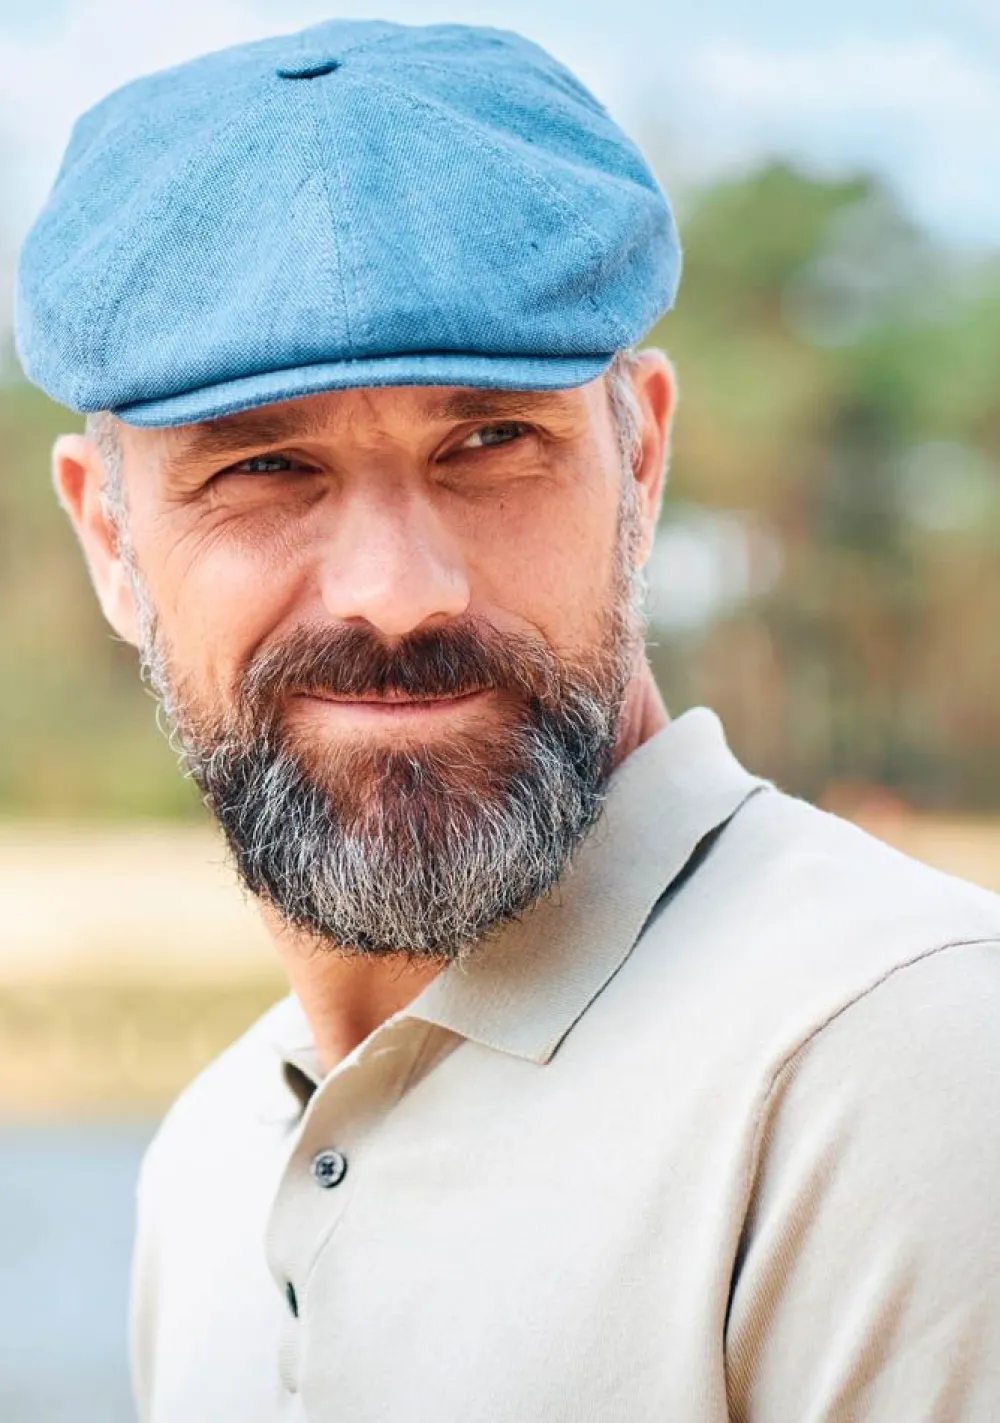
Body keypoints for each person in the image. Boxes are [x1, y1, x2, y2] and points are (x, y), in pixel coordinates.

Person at [15, 17, 1000, 1423]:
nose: (397, 592)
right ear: (111, 540)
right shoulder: (208, 1166)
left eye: (490, 443)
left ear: (642, 463)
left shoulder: (905, 1069)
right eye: (267, 466)